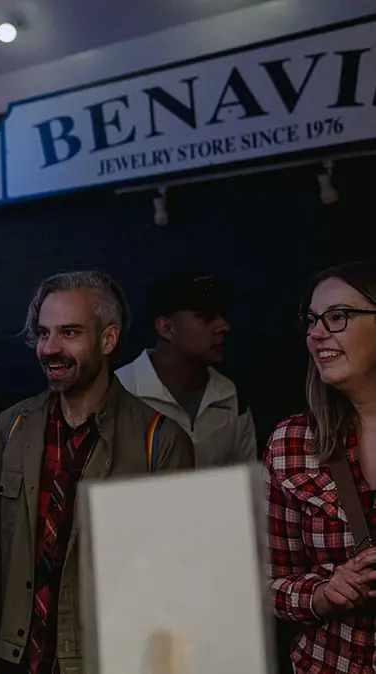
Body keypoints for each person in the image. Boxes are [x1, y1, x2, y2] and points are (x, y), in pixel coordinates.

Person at [0, 271, 194, 674]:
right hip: (16, 661)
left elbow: (175, 580)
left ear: (108, 339)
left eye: (69, 333)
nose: (50, 348)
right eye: (43, 333)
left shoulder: (161, 442)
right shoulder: (11, 428)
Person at [266, 260, 376, 674]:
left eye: (337, 317)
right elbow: (268, 584)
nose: (316, 333)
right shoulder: (291, 444)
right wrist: (325, 595)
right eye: (312, 320)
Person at [117, 272, 257, 467]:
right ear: (166, 327)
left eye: (223, 315)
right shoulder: (117, 393)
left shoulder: (230, 395)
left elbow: (248, 482)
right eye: (206, 317)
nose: (223, 326)